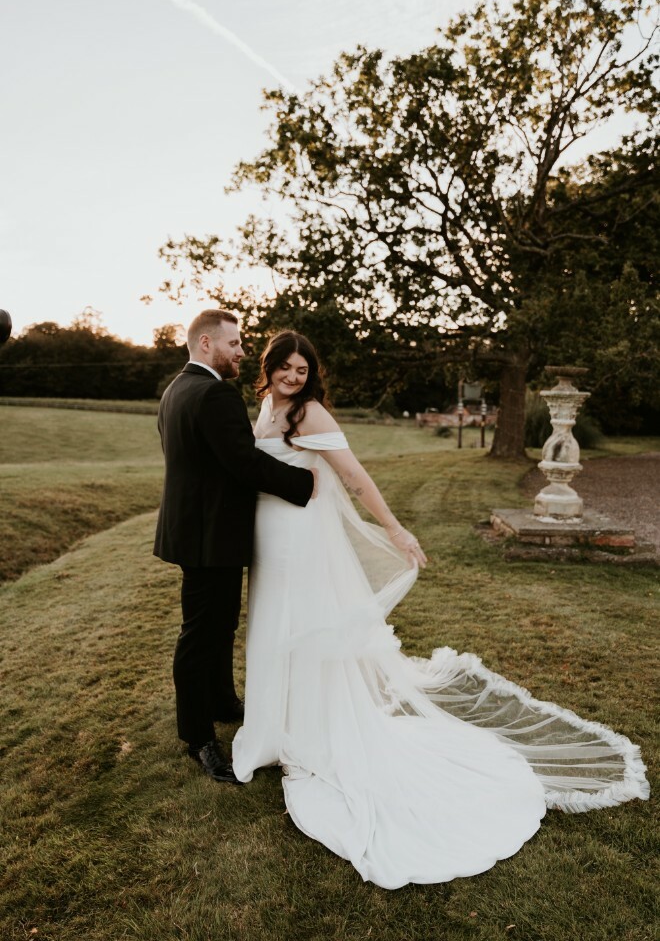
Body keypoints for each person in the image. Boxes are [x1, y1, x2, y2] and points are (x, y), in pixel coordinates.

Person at [231, 330, 650, 889]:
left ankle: (309, 733)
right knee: (271, 628)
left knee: (302, 630)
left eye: (301, 371)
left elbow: (355, 480)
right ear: (269, 368)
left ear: (312, 377)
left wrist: (397, 530)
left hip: (300, 543)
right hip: (269, 540)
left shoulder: (311, 415)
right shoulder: (265, 406)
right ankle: (274, 726)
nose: (291, 377)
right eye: (284, 367)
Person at [154, 311, 316, 785]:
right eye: (236, 343)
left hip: (196, 531)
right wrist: (303, 482)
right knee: (200, 635)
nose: (244, 351)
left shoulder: (175, 389)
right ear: (207, 344)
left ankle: (224, 702)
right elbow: (244, 462)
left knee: (220, 624)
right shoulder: (215, 393)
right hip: (210, 535)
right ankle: (197, 736)